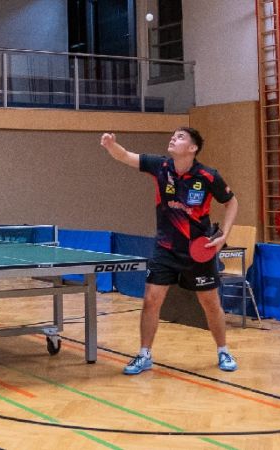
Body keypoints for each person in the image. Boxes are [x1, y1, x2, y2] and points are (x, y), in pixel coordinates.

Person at [99, 128, 239, 374]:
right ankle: (144, 354)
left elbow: (231, 202)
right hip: (165, 249)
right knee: (151, 300)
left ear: (193, 148)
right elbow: (125, 156)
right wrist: (111, 146)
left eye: (180, 137)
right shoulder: (160, 166)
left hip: (197, 251)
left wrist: (224, 235)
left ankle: (223, 350)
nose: (174, 138)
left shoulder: (208, 176)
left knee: (210, 303)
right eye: (173, 135)